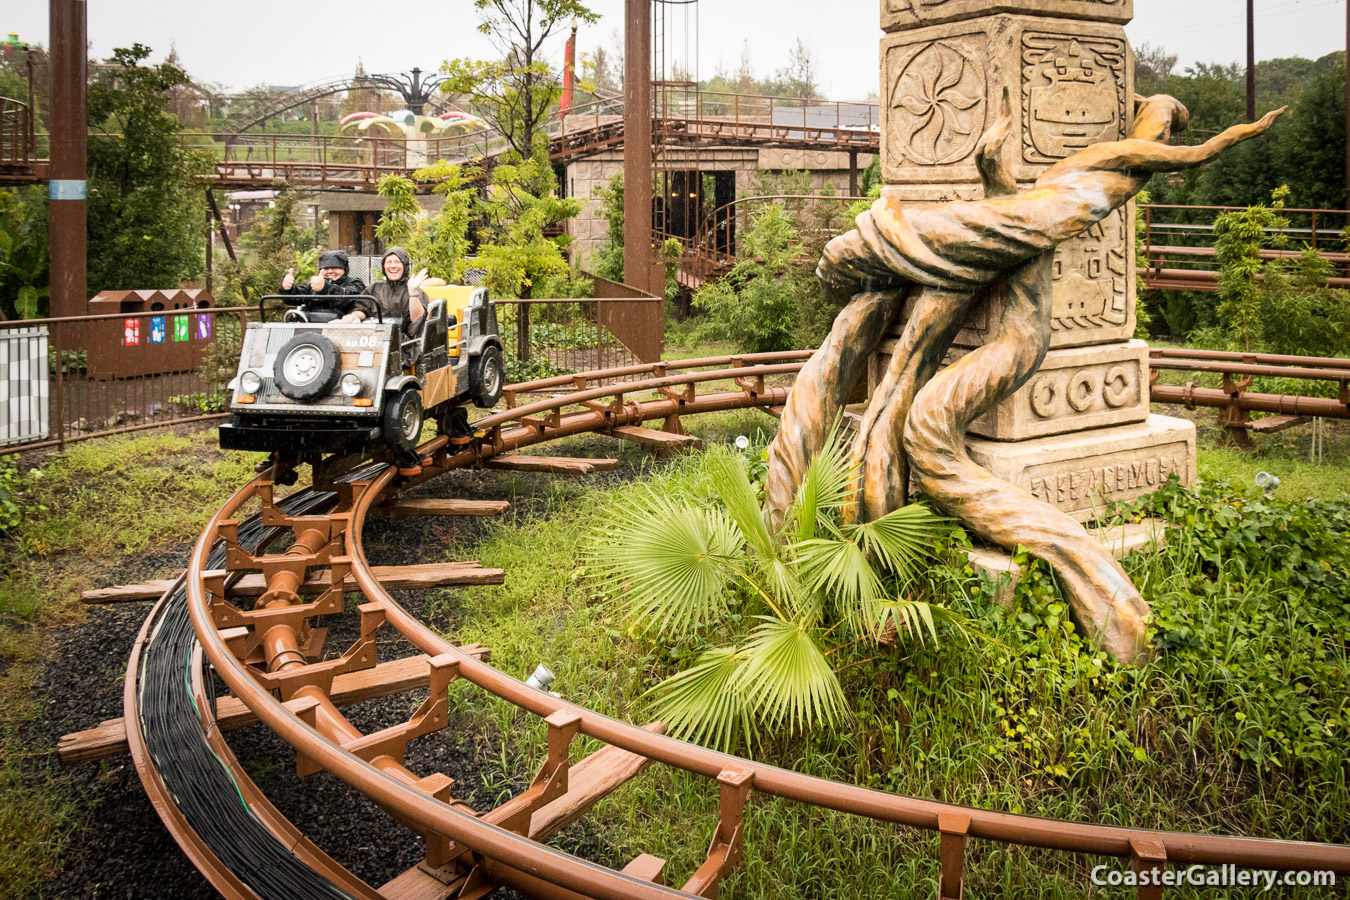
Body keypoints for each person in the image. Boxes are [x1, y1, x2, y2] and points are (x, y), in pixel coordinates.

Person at [340, 246, 429, 338]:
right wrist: (354, 316)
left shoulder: (414, 290)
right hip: (374, 339)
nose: (393, 266)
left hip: (404, 343)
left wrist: (413, 292)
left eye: (397, 262)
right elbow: (362, 308)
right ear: (384, 266)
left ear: (405, 266)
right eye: (389, 262)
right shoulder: (375, 287)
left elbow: (417, 320)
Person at [279, 250, 367, 313]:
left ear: (345, 269)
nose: (330, 271)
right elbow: (295, 298)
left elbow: (351, 299)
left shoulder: (355, 283)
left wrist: (326, 288)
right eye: (326, 268)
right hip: (312, 326)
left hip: (342, 325)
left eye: (335, 267)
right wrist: (288, 289)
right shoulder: (313, 286)